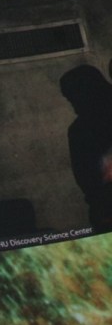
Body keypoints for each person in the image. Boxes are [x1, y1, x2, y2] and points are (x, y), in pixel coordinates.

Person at [62, 64, 112, 231]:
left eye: (72, 99)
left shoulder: (80, 130)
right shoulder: (79, 130)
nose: (73, 105)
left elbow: (86, 179)